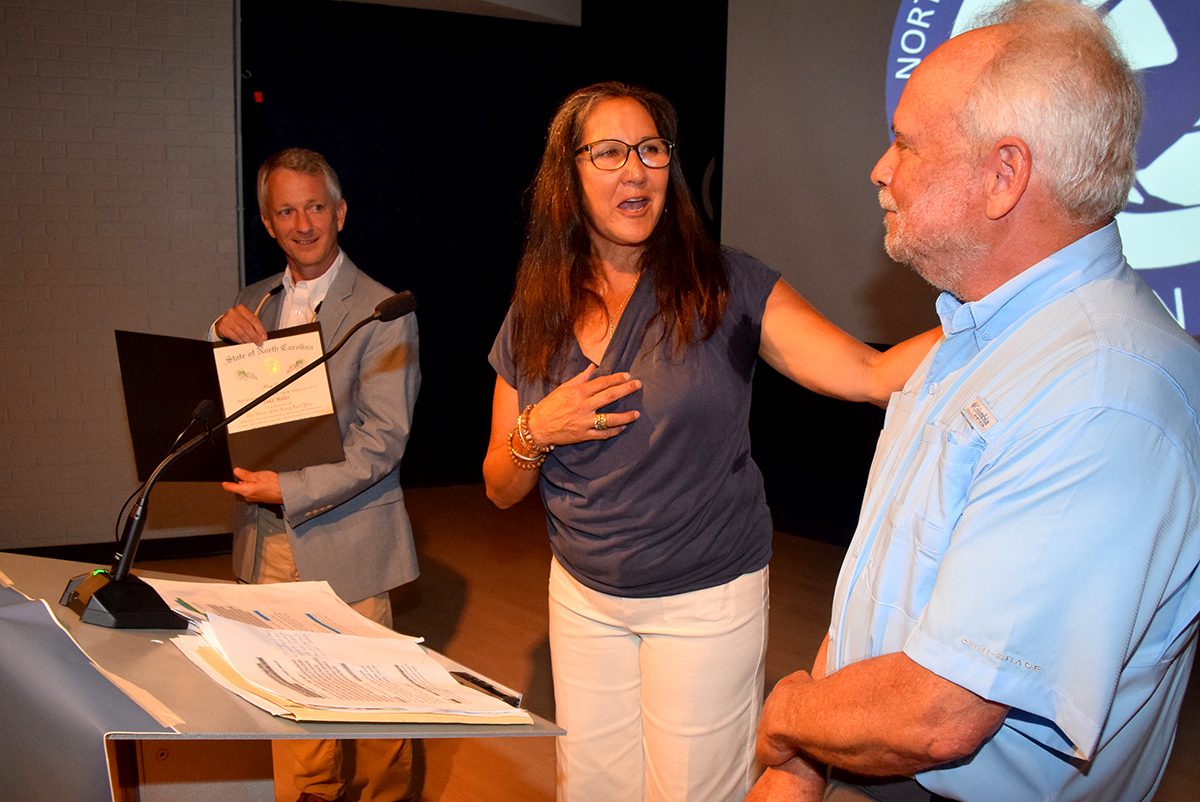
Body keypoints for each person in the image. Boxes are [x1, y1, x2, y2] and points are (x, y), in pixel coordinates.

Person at [749, 2, 1200, 801]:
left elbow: (937, 716)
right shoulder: (972, 339)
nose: (879, 170)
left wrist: (789, 717)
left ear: (1004, 174)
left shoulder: (1100, 399)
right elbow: (882, 602)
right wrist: (798, 768)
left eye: (905, 143)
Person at [483, 82, 937, 802]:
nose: (636, 170)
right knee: (591, 790)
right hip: (582, 597)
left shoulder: (727, 285)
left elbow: (869, 373)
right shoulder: (536, 304)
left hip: (702, 602)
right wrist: (541, 429)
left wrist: (1013, 300)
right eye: (609, 152)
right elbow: (500, 485)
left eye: (652, 149)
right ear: (567, 178)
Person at [214, 147, 420, 802]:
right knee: (294, 715)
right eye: (286, 211)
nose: (303, 223)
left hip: (351, 542)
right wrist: (215, 338)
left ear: (340, 212)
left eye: (315, 207)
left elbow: (381, 443)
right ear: (268, 224)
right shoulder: (252, 301)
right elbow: (225, 411)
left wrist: (291, 489)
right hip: (266, 541)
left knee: (378, 712)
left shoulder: (385, 309)